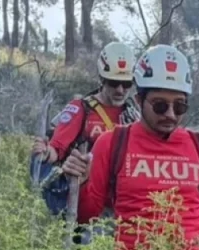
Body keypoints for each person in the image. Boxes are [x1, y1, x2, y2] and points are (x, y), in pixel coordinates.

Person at [60, 44, 199, 250]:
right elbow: (86, 216)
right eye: (160, 105)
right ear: (139, 99)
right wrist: (81, 182)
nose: (171, 114)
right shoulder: (112, 143)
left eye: (180, 105)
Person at [31, 41, 142, 218]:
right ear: (102, 79)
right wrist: (45, 153)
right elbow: (56, 148)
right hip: (86, 201)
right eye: (114, 83)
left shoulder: (133, 116)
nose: (120, 90)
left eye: (126, 83)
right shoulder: (81, 109)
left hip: (120, 205)